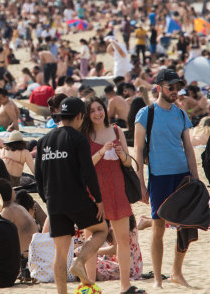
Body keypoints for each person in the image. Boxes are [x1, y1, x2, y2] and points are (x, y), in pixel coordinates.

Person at [35, 97, 108, 292]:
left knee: (60, 255)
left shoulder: (43, 141)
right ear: (79, 116)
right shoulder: (78, 139)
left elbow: (38, 177)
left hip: (54, 202)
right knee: (102, 230)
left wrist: (47, 199)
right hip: (76, 198)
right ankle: (80, 261)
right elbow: (88, 172)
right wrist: (99, 200)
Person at [134, 69, 198, 288]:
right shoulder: (146, 113)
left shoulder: (181, 114)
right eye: (171, 87)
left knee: (185, 226)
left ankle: (177, 272)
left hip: (182, 175)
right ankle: (158, 279)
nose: (175, 91)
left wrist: (196, 178)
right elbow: (138, 149)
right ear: (159, 87)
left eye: (177, 87)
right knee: (158, 227)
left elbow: (189, 149)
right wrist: (140, 183)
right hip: (159, 176)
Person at [81, 97, 143, 294]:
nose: (98, 113)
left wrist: (121, 154)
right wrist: (101, 152)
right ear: (87, 115)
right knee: (91, 239)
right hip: (94, 192)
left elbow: (127, 162)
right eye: (92, 110)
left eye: (100, 109)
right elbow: (83, 166)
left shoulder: (116, 130)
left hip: (117, 190)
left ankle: (125, 286)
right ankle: (90, 285)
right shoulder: (84, 135)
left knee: (123, 239)